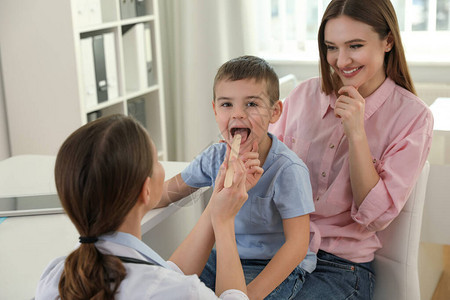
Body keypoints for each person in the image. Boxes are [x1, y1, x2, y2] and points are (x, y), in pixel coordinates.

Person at [269, 0, 434, 299]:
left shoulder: (413, 118)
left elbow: (374, 218)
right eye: (331, 47)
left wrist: (356, 132)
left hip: (342, 267)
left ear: (388, 41)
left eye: (354, 46)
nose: (341, 60)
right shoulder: (304, 95)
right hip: (277, 248)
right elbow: (267, 167)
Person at [34, 114, 254, 300]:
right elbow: (165, 286)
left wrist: (216, 207)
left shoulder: (54, 276)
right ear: (145, 190)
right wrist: (224, 223)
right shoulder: (183, 292)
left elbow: (160, 277)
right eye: (156, 162)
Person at [158, 55, 315, 300]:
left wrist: (250, 295)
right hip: (224, 256)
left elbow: (297, 245)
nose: (237, 114)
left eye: (251, 104)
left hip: (270, 265)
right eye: (226, 104)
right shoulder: (214, 157)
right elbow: (168, 192)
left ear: (275, 112)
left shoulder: (288, 169)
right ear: (214, 109)